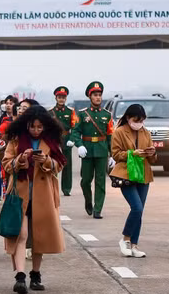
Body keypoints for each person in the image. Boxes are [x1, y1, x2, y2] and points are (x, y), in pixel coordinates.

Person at [2, 106, 66, 294]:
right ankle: (20, 277)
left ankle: (35, 274)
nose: (36, 130)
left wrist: (45, 160)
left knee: (39, 236)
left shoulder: (51, 141)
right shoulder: (15, 140)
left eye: (40, 127)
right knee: (20, 234)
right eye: (33, 127)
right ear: (26, 125)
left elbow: (59, 165)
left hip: (43, 196)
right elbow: (6, 164)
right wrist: (21, 160)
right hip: (19, 195)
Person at [109, 104, 157, 258]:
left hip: (143, 174)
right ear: (129, 118)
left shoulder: (146, 133)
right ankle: (125, 239)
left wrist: (151, 152)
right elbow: (116, 154)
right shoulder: (119, 132)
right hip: (126, 174)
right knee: (136, 208)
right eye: (136, 120)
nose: (139, 123)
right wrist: (132, 153)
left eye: (142, 120)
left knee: (140, 211)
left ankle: (134, 245)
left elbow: (153, 159)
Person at [69, 81, 114, 219]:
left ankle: (97, 208)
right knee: (85, 180)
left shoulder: (107, 115)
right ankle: (88, 202)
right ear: (90, 97)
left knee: (100, 181)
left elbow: (110, 135)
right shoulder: (82, 114)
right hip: (87, 150)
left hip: (101, 150)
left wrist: (112, 155)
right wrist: (79, 145)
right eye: (95, 95)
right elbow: (75, 132)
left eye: (99, 95)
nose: (98, 97)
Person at [50, 87, 78, 197]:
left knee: (67, 164)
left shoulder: (70, 112)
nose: (61, 99)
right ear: (56, 98)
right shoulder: (50, 112)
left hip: (66, 139)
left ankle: (66, 188)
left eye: (63, 97)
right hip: (54, 140)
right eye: (59, 97)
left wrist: (72, 139)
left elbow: (75, 127)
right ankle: (53, 185)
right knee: (53, 164)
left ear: (66, 99)